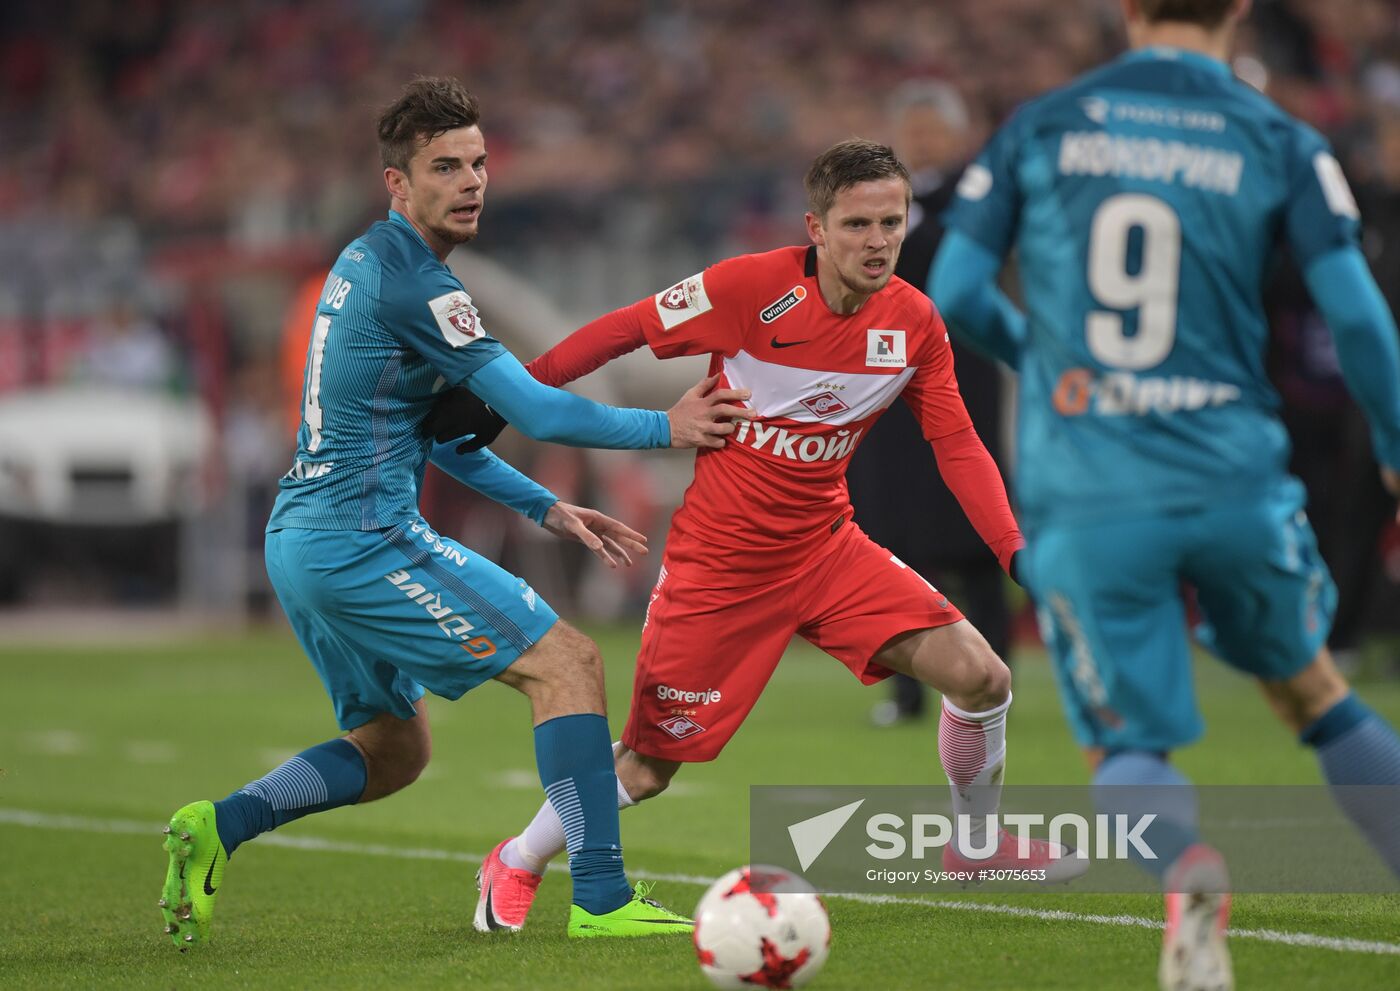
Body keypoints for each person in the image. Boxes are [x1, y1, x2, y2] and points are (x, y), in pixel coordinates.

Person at [431, 137, 1089, 938]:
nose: (879, 241)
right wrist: (509, 397)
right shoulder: (747, 289)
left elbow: (958, 444)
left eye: (892, 221)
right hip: (721, 569)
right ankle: (518, 858)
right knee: (648, 765)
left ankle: (975, 844)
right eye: (857, 224)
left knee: (981, 676)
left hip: (827, 550)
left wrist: (1016, 553)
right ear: (815, 226)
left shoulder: (914, 322)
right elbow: (622, 329)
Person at [158, 76, 755, 947]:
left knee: (395, 751)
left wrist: (547, 504)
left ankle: (221, 825)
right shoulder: (421, 288)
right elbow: (544, 412)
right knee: (568, 663)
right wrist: (671, 425)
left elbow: (440, 438)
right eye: (446, 166)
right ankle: (599, 895)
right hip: (361, 538)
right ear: (397, 183)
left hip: (302, 539)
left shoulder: (367, 261)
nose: (472, 180)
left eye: (478, 162)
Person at [929, 1, 1400, 987]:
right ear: (1235, 10)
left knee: (1128, 752)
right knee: (1312, 694)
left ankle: (1186, 871)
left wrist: (1048, 361)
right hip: (1234, 475)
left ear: (1127, 9)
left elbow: (959, 294)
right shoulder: (1279, 136)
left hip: (1091, 490)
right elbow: (1357, 317)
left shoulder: (1043, 125)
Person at [844, 80, 1013, 727]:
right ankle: (908, 691)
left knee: (974, 536)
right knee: (893, 544)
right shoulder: (875, 201)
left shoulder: (976, 198)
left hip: (960, 375)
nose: (922, 142)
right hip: (886, 389)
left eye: (932, 129)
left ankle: (993, 681)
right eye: (911, 130)